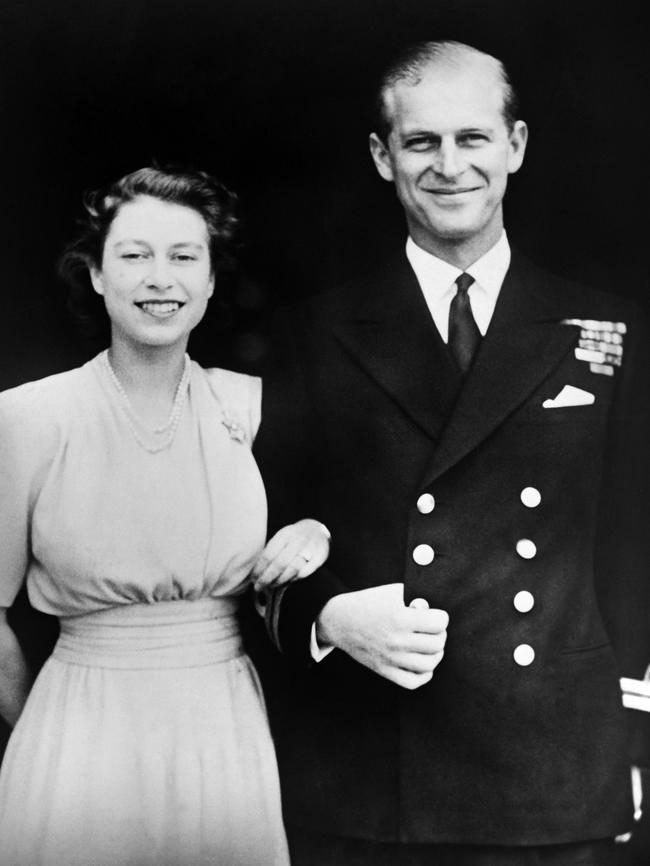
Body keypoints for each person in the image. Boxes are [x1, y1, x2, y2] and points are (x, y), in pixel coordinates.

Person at [254, 40, 650, 865]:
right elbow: (258, 531)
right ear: (381, 155)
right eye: (420, 142)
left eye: (472, 138)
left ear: (516, 146)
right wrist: (325, 616)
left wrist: (633, 735)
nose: (449, 166)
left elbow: (635, 547)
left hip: (552, 768)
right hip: (371, 770)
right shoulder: (314, 334)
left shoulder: (608, 330)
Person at [0, 166, 331, 865]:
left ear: (211, 280)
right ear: (95, 274)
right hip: (79, 731)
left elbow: (335, 523)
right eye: (134, 255)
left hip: (224, 728)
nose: (161, 279)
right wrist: (46, 727)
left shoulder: (251, 407)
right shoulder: (29, 417)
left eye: (184, 257)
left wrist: (313, 531)